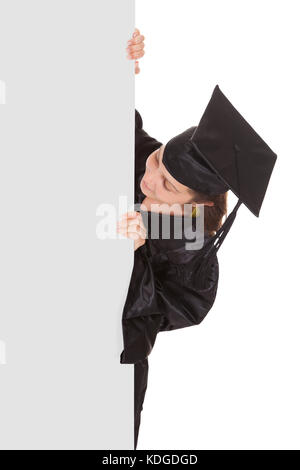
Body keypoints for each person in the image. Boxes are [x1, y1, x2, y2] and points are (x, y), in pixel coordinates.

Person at [119, 29, 277, 450]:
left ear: (196, 206)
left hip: (112, 378)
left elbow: (140, 327)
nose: (148, 178)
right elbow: (121, 131)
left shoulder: (196, 264)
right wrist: (117, 68)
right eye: (155, 161)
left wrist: (130, 258)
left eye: (167, 186)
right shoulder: (152, 168)